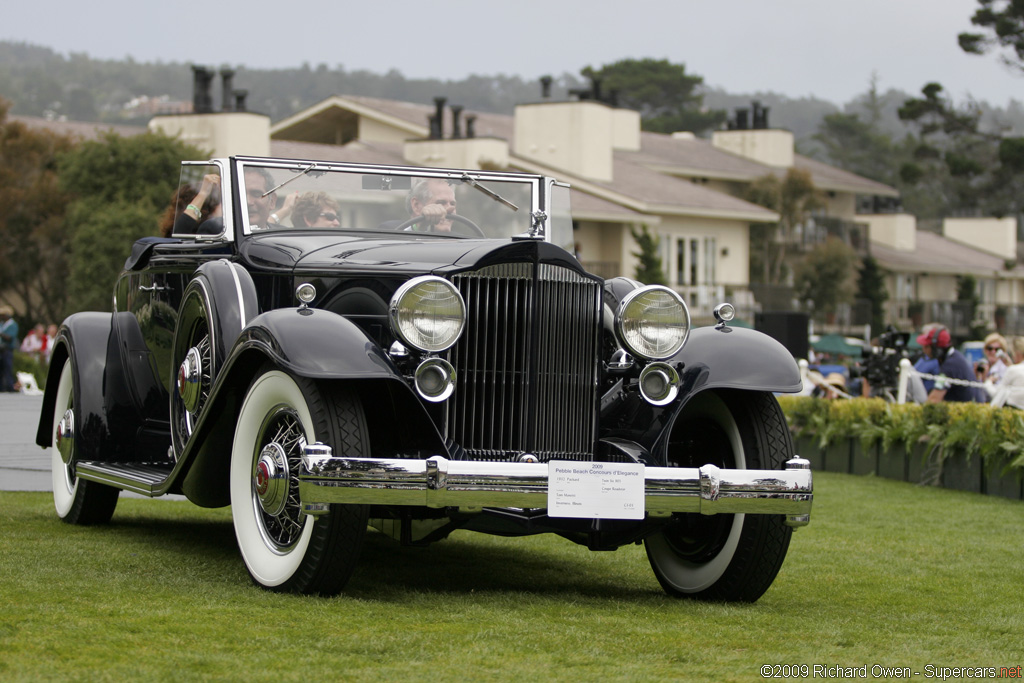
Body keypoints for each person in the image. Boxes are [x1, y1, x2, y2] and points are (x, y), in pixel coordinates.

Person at [917, 326, 980, 403]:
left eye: (927, 346)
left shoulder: (950, 366)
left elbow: (934, 399)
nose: (923, 349)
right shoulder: (954, 357)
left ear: (937, 350)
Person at [990, 336, 1024, 409]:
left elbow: (996, 393)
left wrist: (988, 382)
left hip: (1014, 413)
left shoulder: (1013, 369)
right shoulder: (1013, 369)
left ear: (1017, 353)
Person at [0, 305, 20, 392]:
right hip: (1, 349)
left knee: (8, 368)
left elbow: (10, 337)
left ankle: (10, 387)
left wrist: (1, 334)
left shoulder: (13, 325)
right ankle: (1, 387)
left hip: (7, 349)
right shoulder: (2, 324)